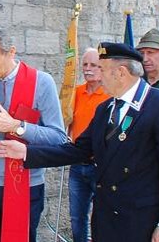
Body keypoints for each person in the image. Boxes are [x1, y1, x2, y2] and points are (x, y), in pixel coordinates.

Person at [0, 42, 159, 242]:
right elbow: (79, 150)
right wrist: (27, 152)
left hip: (142, 220)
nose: (98, 75)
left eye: (101, 69)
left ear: (121, 72)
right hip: (106, 218)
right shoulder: (105, 109)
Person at [0, 25, 67, 242]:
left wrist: (16, 126)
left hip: (27, 185)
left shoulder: (41, 82)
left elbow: (58, 137)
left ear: (11, 52)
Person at [66, 47, 110, 242]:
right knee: (77, 217)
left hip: (100, 165)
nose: (88, 69)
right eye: (85, 64)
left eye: (94, 65)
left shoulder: (109, 95)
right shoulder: (75, 93)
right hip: (77, 164)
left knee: (101, 217)